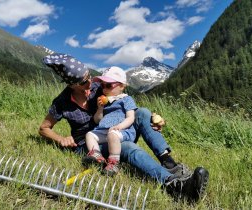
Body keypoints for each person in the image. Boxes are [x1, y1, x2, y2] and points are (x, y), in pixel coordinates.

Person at [39, 53, 209, 202]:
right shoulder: (61, 103)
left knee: (141, 112)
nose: (90, 82)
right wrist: (61, 139)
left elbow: (126, 104)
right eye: (84, 81)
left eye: (90, 75)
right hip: (90, 144)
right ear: (72, 85)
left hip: (115, 129)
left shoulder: (99, 86)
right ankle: (176, 186)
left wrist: (152, 120)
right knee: (126, 147)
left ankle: (170, 164)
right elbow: (44, 128)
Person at [84, 66, 137, 176]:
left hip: (123, 131)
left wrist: (120, 126)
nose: (104, 89)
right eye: (102, 85)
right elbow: (98, 120)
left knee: (113, 135)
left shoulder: (126, 99)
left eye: (108, 85)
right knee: (90, 134)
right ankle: (97, 156)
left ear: (122, 86)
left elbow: (131, 117)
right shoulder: (106, 102)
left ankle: (113, 163)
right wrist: (100, 108)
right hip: (105, 130)